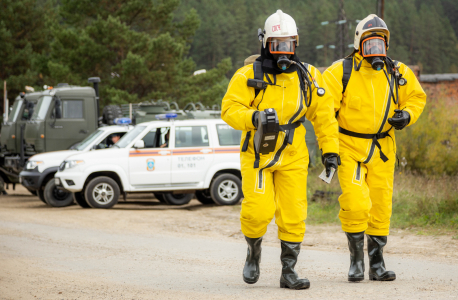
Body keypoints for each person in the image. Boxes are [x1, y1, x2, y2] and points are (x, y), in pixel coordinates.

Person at [221, 10, 340, 290]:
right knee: (258, 211)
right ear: (265, 44)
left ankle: (289, 271)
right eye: (277, 45)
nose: (283, 52)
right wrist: (253, 117)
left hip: (293, 153)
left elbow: (324, 117)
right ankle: (253, 252)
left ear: (296, 44)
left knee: (294, 212)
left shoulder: (308, 76)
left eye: (288, 45)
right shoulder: (249, 75)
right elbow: (229, 109)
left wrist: (330, 151)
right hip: (258, 153)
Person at [322, 14, 426, 282]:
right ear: (359, 44)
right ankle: (356, 262)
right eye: (370, 44)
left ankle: (377, 264)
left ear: (387, 45)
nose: (375, 50)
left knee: (381, 206)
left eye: (380, 44)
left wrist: (407, 115)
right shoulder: (339, 72)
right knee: (356, 204)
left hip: (383, 148)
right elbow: (324, 113)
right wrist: (329, 149)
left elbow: (416, 98)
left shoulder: (398, 72)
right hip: (349, 146)